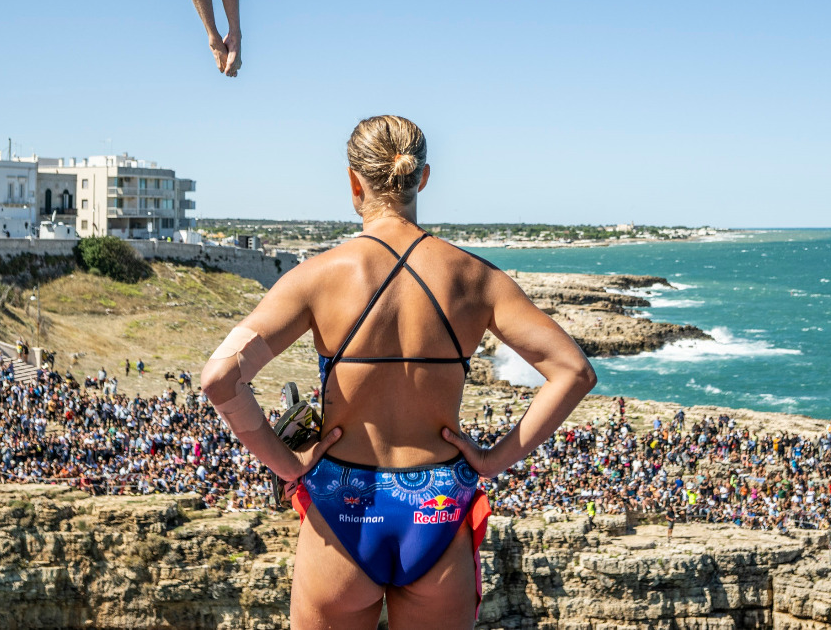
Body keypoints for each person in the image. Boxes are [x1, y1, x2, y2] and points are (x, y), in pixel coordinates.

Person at [201, 115, 595, 630]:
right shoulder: (476, 278)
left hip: (341, 504)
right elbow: (574, 372)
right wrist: (495, 459)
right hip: (437, 505)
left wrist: (288, 465)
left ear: (353, 182)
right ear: (423, 177)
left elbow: (220, 379)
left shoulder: (317, 277)